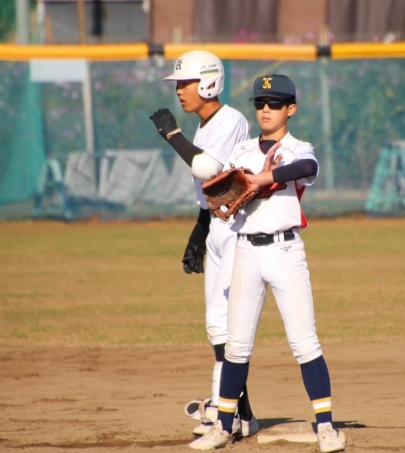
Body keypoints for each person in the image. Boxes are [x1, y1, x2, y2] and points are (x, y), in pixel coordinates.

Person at [189, 74, 346, 453]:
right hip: (245, 252)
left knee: (304, 342)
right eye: (260, 103)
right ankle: (223, 425)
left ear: (291, 109)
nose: (266, 109)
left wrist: (262, 177)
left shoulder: (297, 147)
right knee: (236, 347)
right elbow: (221, 191)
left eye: (275, 104)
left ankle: (326, 426)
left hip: (285, 252)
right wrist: (232, 193)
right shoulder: (241, 151)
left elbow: (304, 168)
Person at [149, 50, 258, 438]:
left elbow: (207, 168)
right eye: (178, 84)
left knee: (225, 322)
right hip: (217, 225)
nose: (179, 91)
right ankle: (240, 412)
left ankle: (225, 410)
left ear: (209, 83)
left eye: (186, 83)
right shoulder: (205, 125)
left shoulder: (230, 120)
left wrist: (172, 135)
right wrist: (199, 230)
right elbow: (211, 188)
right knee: (216, 324)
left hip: (236, 228)